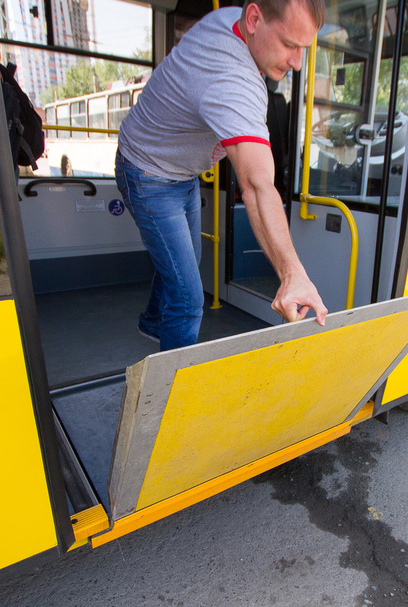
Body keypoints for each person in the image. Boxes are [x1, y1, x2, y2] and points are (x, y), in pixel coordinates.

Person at [115, 0, 329, 351]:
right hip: (146, 171)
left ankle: (152, 321)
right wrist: (293, 275)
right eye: (290, 45)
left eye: (304, 48)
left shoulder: (232, 20)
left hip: (182, 172)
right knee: (186, 300)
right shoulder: (233, 80)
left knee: (185, 260)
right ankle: (171, 402)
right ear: (254, 17)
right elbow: (258, 187)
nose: (297, 62)